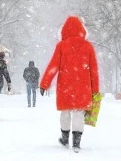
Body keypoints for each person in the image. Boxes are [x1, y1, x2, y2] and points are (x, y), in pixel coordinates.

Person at [39, 16, 99, 153]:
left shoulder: (61, 46)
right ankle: (76, 143)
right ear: (81, 30)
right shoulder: (88, 46)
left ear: (65, 30)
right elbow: (94, 70)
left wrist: (44, 84)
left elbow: (53, 66)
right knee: (78, 113)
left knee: (65, 113)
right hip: (83, 88)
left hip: (65, 86)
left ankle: (65, 139)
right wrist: (95, 90)